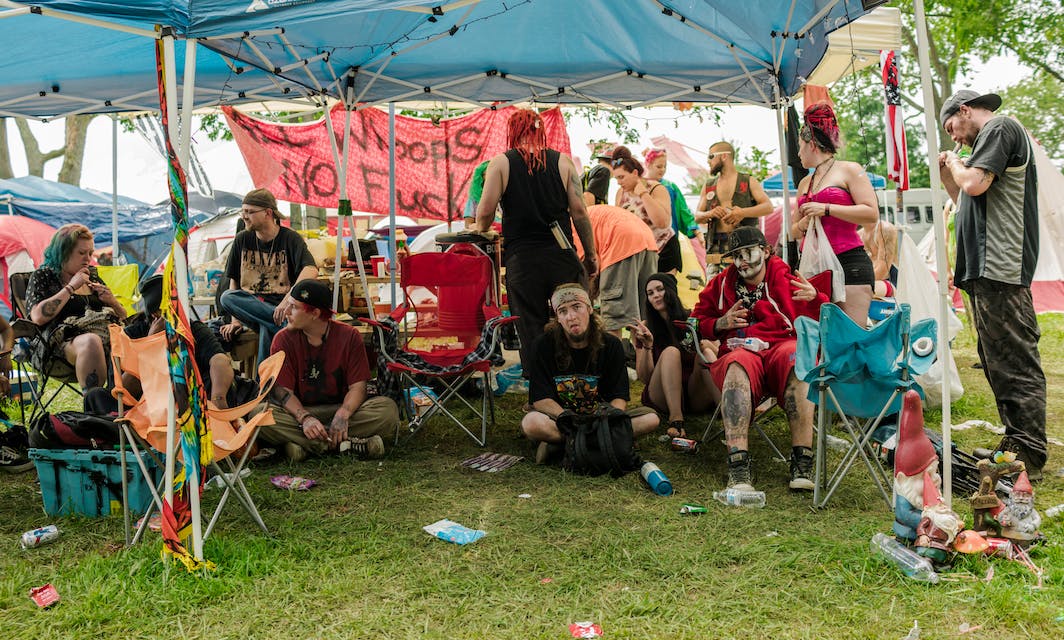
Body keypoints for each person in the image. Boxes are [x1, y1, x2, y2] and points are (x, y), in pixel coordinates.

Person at [938, 89, 1045, 481]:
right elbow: (962, 198)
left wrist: (955, 161)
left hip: (1002, 266)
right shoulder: (984, 143)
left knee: (1015, 361)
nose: (956, 139)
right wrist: (949, 171)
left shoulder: (1000, 127)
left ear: (965, 110)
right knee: (997, 360)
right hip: (984, 272)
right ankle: (1014, 442)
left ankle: (1029, 451)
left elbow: (975, 186)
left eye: (953, 127)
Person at [690, 227, 826, 492]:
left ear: (765, 251)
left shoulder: (788, 279)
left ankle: (802, 461)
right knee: (736, 365)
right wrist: (720, 323)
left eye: (747, 253)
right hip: (740, 348)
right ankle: (738, 467)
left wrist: (817, 299)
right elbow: (695, 321)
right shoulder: (720, 285)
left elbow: (825, 319)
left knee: (797, 359)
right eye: (736, 256)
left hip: (781, 344)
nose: (741, 262)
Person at [475, 108, 598, 375]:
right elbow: (579, 212)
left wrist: (480, 227)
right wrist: (591, 255)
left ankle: (540, 388)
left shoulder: (501, 163)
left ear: (513, 132)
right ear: (541, 131)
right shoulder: (563, 162)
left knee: (531, 325)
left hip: (523, 260)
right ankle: (578, 378)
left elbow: (484, 212)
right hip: (562, 255)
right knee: (571, 318)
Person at [260, 280, 399, 462]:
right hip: (300, 413)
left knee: (387, 410)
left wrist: (343, 415)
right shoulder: (283, 339)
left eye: (293, 308)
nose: (285, 312)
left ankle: (305, 446)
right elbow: (284, 392)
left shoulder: (349, 336)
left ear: (315, 313)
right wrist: (305, 419)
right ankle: (348, 445)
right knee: (259, 416)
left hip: (339, 409)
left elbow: (358, 387)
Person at [521, 283, 659, 464]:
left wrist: (610, 420)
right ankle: (602, 442)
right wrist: (566, 419)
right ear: (558, 318)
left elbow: (618, 397)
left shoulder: (612, 344)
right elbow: (540, 399)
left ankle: (566, 445)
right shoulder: (543, 345)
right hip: (562, 421)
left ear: (589, 308)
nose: (571, 316)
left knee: (651, 418)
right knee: (531, 423)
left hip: (601, 420)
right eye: (562, 311)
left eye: (577, 307)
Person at [83, 274, 241, 414]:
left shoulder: (191, 328)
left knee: (223, 383)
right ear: (154, 316)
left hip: (187, 397)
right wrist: (151, 345)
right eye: (168, 311)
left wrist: (218, 398)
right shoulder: (132, 334)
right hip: (142, 404)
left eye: (177, 309)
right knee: (95, 396)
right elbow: (122, 392)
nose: (175, 316)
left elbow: (219, 360)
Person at [789, 102, 879, 326]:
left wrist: (827, 209)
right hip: (812, 266)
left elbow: (871, 213)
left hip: (848, 262)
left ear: (812, 145)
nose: (798, 154)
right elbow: (792, 230)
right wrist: (805, 222)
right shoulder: (804, 183)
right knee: (819, 336)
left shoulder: (849, 169)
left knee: (850, 335)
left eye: (800, 146)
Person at [219, 188, 318, 365]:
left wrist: (286, 302)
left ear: (268, 213)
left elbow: (311, 270)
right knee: (227, 297)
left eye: (249, 211)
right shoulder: (242, 239)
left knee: (267, 327)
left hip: (282, 307)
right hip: (251, 307)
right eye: (243, 211)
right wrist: (236, 321)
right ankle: (283, 325)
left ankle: (264, 386)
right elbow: (234, 281)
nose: (244, 216)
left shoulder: (290, 238)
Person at [26, 223, 127, 390]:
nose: (87, 259)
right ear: (63, 253)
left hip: (107, 337)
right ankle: (95, 404)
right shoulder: (44, 276)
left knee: (135, 335)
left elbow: (123, 315)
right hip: (61, 346)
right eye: (81, 253)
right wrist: (71, 287)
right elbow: (37, 316)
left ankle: (128, 401)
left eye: (90, 253)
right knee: (91, 341)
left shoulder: (92, 276)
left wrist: (112, 302)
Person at [631, 273, 719, 439]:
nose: (655, 295)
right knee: (671, 352)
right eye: (650, 293)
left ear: (670, 290)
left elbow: (717, 353)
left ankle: (730, 412)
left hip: (694, 393)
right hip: (662, 394)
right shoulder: (645, 328)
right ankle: (676, 420)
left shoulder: (692, 319)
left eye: (660, 289)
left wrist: (701, 344)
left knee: (706, 352)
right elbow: (644, 377)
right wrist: (647, 346)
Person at [572, 204, 658, 337]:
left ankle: (613, 357)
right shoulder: (587, 214)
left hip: (620, 239)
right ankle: (642, 356)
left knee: (614, 316)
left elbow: (589, 266)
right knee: (642, 317)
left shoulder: (571, 228)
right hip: (647, 238)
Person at [694, 141, 773, 267]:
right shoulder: (709, 185)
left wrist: (742, 213)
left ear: (724, 156)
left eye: (711, 156)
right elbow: (697, 216)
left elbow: (768, 207)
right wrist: (710, 213)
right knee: (716, 285)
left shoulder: (748, 181)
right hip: (716, 248)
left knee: (744, 285)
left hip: (745, 245)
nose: (708, 161)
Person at [611, 145, 681, 274]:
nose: (619, 182)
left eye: (621, 177)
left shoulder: (656, 188)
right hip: (639, 252)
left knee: (662, 291)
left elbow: (663, 223)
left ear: (635, 173)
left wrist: (644, 195)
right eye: (616, 178)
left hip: (664, 248)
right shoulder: (620, 193)